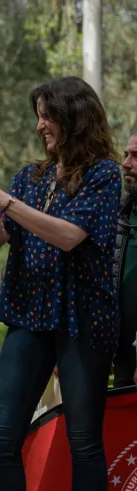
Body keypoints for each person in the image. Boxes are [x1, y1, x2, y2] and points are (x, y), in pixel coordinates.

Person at [0, 76, 121, 491]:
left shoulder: (104, 174)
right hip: (29, 314)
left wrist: (2, 199)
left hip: (83, 322)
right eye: (38, 118)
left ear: (75, 117)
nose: (40, 127)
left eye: (47, 116)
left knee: (83, 442)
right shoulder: (31, 176)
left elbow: (71, 236)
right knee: (0, 437)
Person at [113, 130, 137, 388]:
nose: (126, 163)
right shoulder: (120, 212)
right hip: (123, 357)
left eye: (136, 156)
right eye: (126, 154)